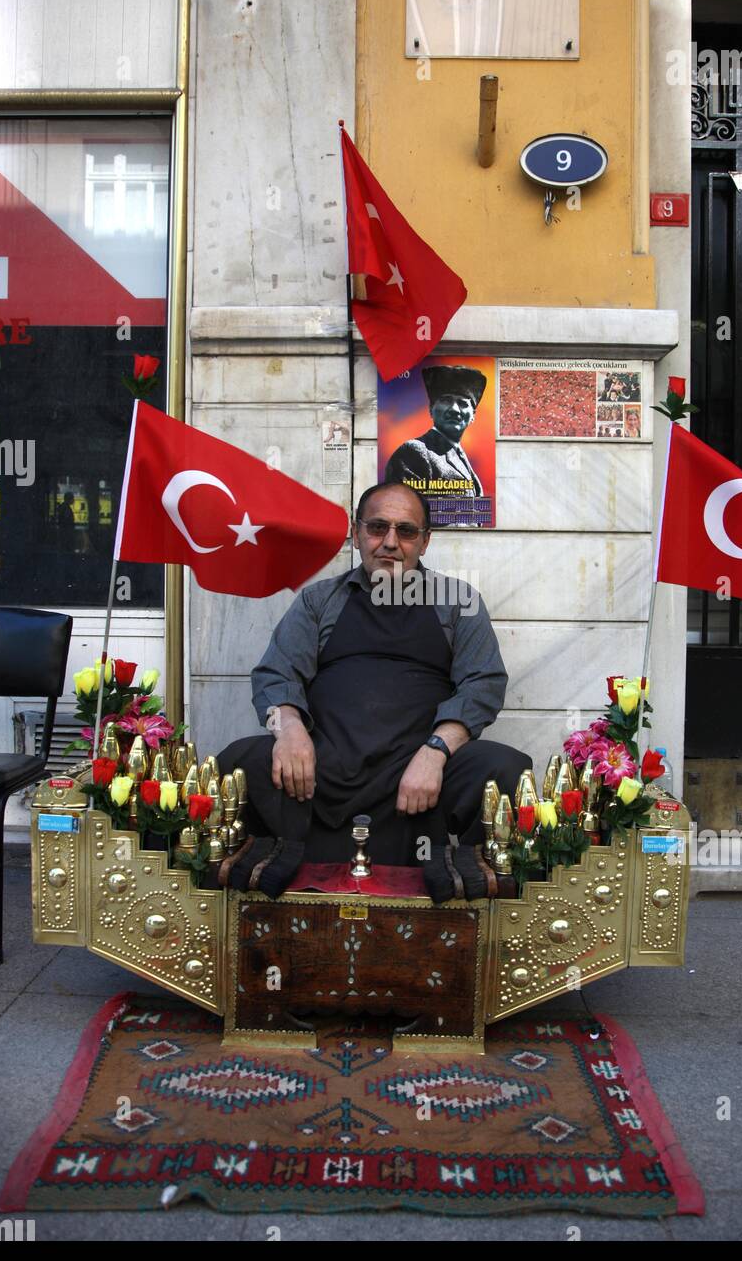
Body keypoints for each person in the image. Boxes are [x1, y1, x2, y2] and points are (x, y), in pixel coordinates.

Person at [215, 481, 530, 897]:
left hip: (418, 769)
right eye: (377, 527)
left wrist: (436, 751)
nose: (390, 543)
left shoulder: (457, 602)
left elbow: (483, 684)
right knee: (234, 763)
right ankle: (255, 895)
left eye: (406, 531)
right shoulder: (319, 600)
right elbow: (277, 674)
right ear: (357, 532)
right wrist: (289, 730)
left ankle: (475, 903)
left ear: (426, 540)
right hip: (324, 771)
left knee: (506, 769)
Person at [383, 364, 486, 498]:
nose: (454, 409)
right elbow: (406, 510)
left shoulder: (460, 456)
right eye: (445, 400)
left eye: (463, 403)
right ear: (431, 409)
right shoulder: (414, 451)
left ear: (473, 415)